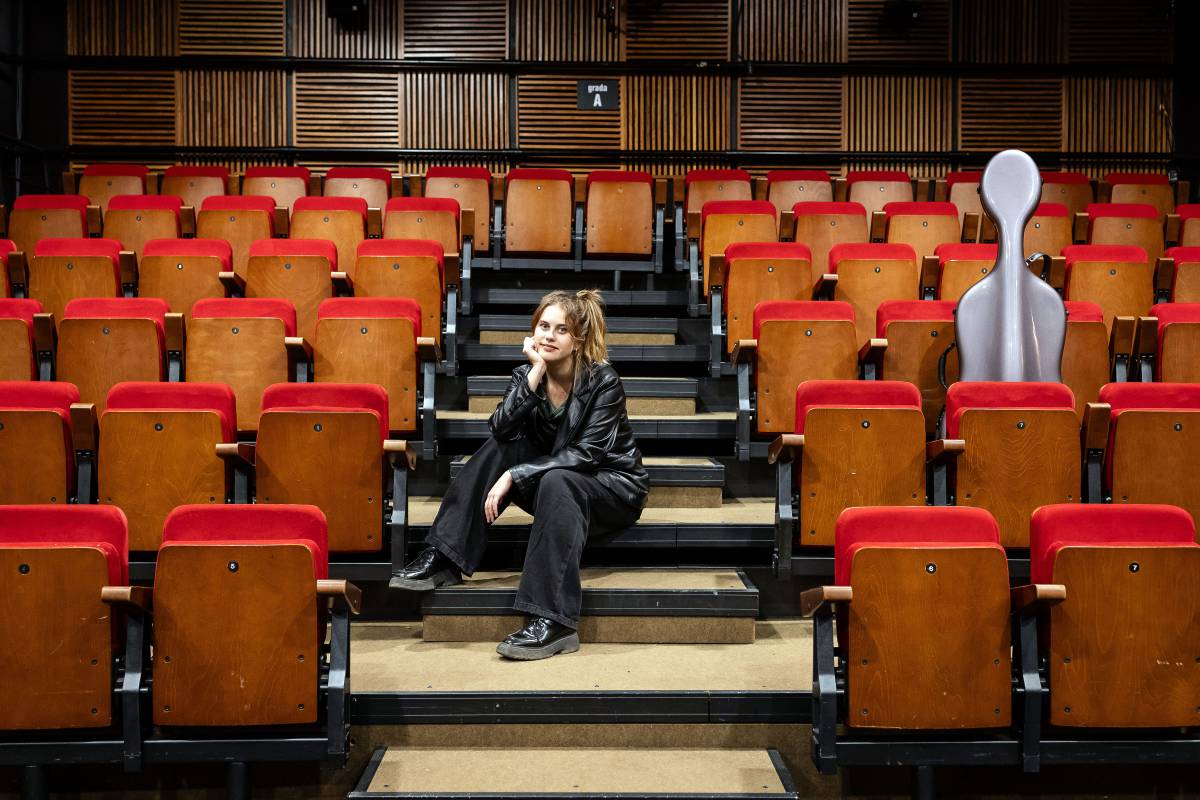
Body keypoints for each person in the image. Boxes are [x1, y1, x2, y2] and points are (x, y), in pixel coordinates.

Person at [391, 289, 650, 660]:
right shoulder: (526, 376)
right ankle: (445, 556)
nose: (548, 335)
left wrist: (516, 474)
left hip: (611, 488)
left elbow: (587, 454)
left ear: (577, 341)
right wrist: (533, 377)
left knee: (558, 478)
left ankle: (554, 620)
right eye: (544, 326)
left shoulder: (603, 382)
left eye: (561, 330)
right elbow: (500, 429)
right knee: (503, 449)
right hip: (555, 486)